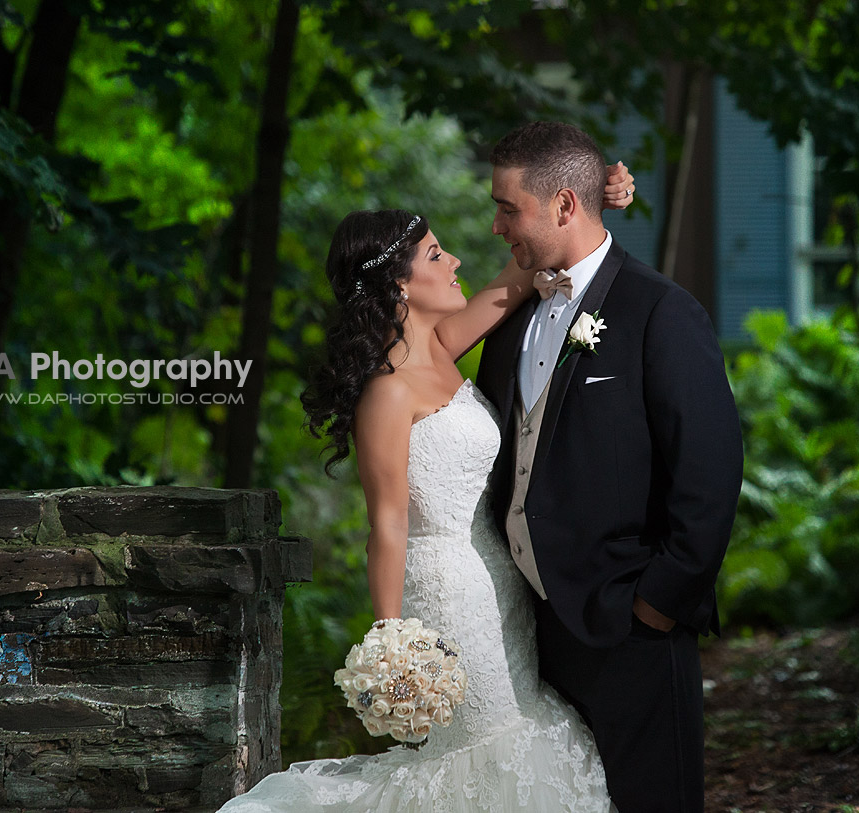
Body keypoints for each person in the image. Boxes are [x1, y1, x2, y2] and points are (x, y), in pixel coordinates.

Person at [215, 163, 636, 812]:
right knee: (486, 748)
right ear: (399, 284)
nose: (457, 258)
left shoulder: (444, 343)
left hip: (498, 575)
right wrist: (391, 642)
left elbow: (525, 268)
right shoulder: (385, 394)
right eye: (437, 253)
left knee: (515, 729)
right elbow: (386, 523)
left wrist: (595, 197)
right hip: (444, 590)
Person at [474, 121, 744, 812]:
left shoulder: (661, 312)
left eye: (510, 208)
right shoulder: (507, 322)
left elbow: (708, 477)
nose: (498, 227)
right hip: (532, 641)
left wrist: (654, 606)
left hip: (631, 634)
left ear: (565, 205)